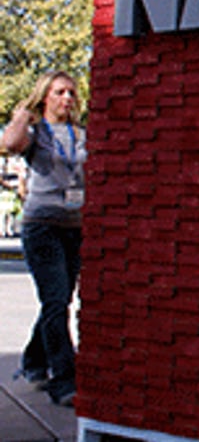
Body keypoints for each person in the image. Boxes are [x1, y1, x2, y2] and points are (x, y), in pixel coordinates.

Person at [1, 71, 86, 407]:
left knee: (60, 298)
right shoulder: (36, 134)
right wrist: (23, 113)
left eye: (71, 93)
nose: (67, 98)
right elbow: (9, 143)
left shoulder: (81, 134)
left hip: (74, 226)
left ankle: (34, 362)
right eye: (60, 92)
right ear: (45, 96)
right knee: (55, 301)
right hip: (42, 227)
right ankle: (63, 380)